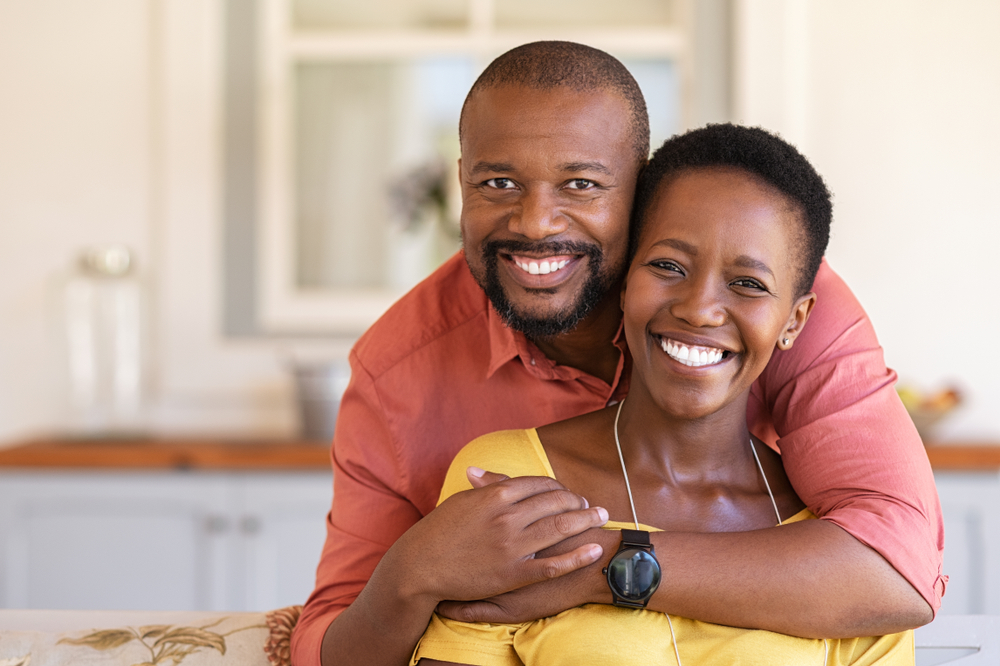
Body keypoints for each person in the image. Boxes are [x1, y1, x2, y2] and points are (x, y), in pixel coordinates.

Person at [291, 42, 942, 666]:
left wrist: (604, 565)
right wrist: (411, 574)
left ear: (640, 193)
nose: (537, 222)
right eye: (497, 182)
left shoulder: (775, 305)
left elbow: (898, 568)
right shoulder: (399, 375)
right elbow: (328, 647)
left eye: (581, 184)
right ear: (461, 183)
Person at [410, 123, 913, 666]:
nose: (699, 309)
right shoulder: (514, 484)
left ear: (794, 321)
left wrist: (600, 568)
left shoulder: (850, 569)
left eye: (748, 284)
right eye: (668, 267)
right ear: (625, 282)